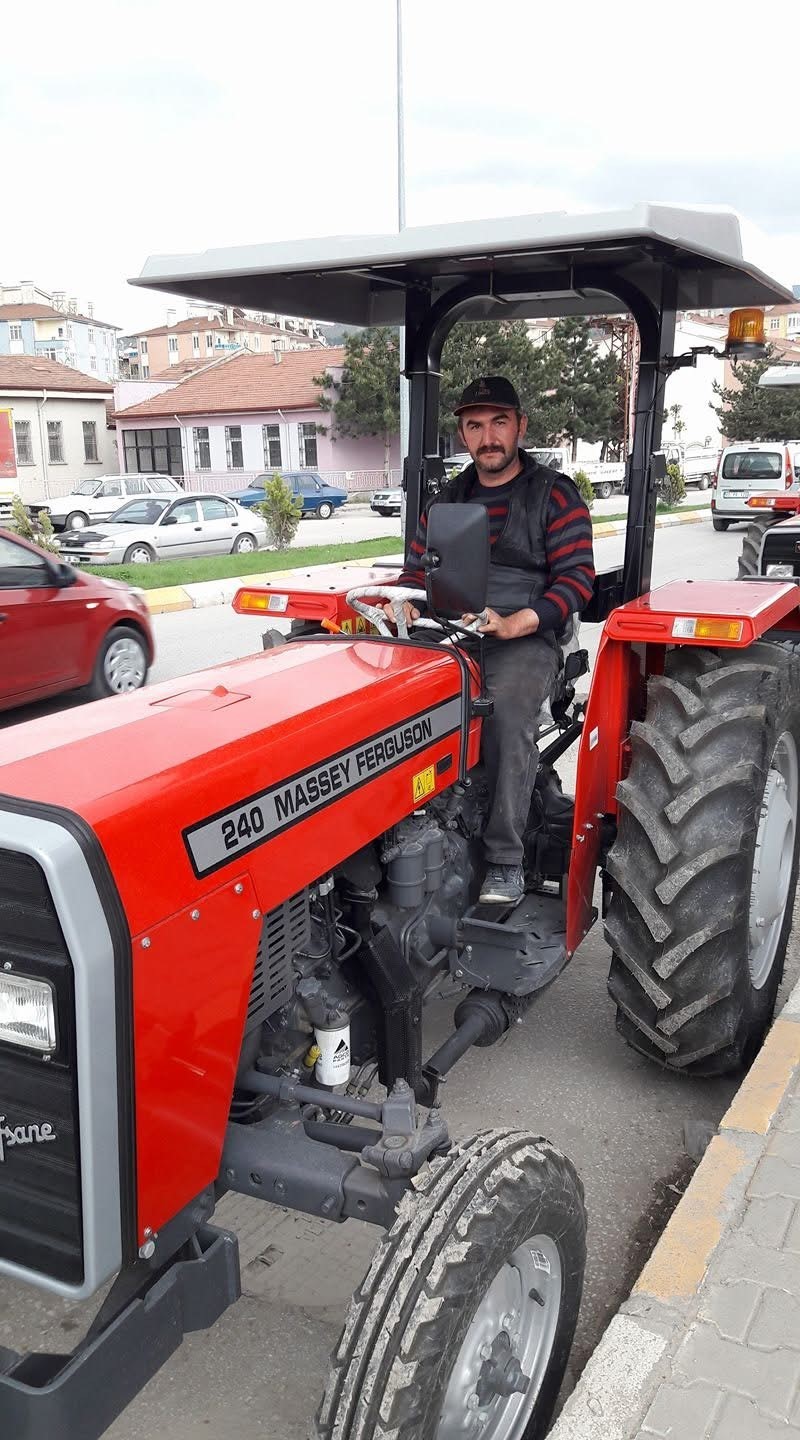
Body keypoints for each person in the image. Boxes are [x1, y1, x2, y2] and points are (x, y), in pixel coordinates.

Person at [387, 376, 595, 905]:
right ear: (463, 435)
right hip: (451, 630)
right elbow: (418, 571)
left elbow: (577, 581)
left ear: (520, 426)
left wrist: (516, 622)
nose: (489, 437)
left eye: (499, 422)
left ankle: (505, 857)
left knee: (504, 712)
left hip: (523, 636)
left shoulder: (554, 494)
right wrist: (408, 598)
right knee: (388, 705)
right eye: (475, 426)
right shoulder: (446, 500)